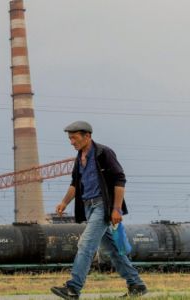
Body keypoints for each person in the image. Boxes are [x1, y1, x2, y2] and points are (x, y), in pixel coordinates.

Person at [50, 121, 147, 300]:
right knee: (112, 249)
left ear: (87, 136)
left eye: (74, 138)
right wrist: (64, 202)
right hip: (88, 206)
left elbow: (119, 179)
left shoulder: (104, 153)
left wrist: (116, 208)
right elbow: (75, 184)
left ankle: (73, 288)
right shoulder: (79, 157)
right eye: (69, 138)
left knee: (85, 245)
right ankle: (136, 284)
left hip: (103, 206)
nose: (71, 142)